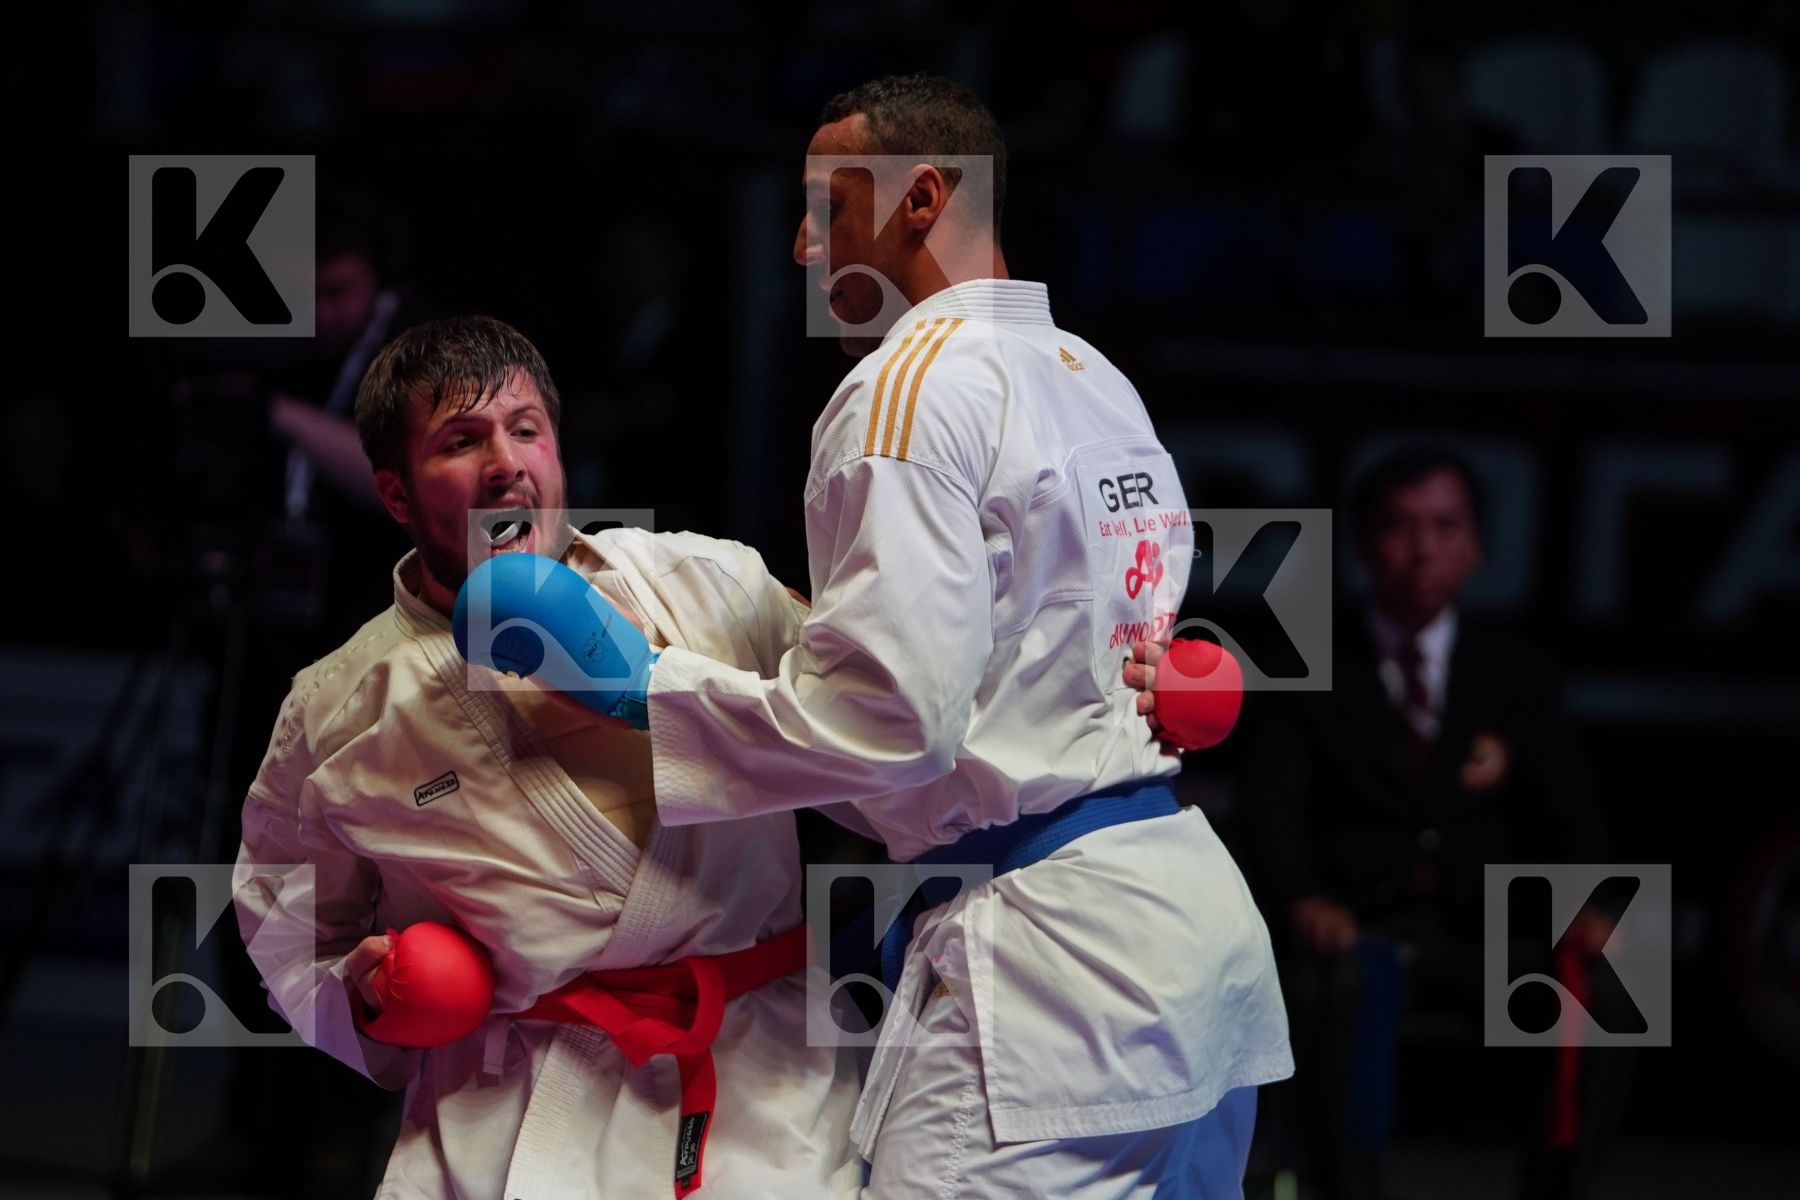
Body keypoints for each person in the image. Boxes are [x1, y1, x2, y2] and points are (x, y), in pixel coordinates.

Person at [468, 75, 1294, 1198]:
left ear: (921, 200)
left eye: (830, 207)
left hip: (1056, 966)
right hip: (1191, 929)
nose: (807, 246)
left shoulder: (901, 390)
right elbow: (1114, 644)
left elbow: (888, 722)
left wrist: (646, 691)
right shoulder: (1094, 379)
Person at [232, 315, 864, 1199]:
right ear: (397, 494)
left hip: (767, 1101)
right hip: (508, 1124)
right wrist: (366, 996)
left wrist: (1119, 688)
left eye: (526, 430)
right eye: (462, 440)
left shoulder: (710, 588)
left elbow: (881, 727)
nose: (505, 463)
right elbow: (287, 927)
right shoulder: (337, 709)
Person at [1239, 447, 1627, 1200]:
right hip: (1355, 925)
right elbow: (1270, 811)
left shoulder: (1518, 670)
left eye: (1445, 526)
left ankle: (1559, 1189)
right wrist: (1300, 898)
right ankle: (1348, 1189)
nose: (1423, 548)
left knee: (1618, 979)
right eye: (1400, 526)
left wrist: (1590, 902)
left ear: (1477, 546)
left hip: (1488, 926)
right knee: (1319, 987)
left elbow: (1572, 810)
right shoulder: (1305, 660)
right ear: (1361, 546)